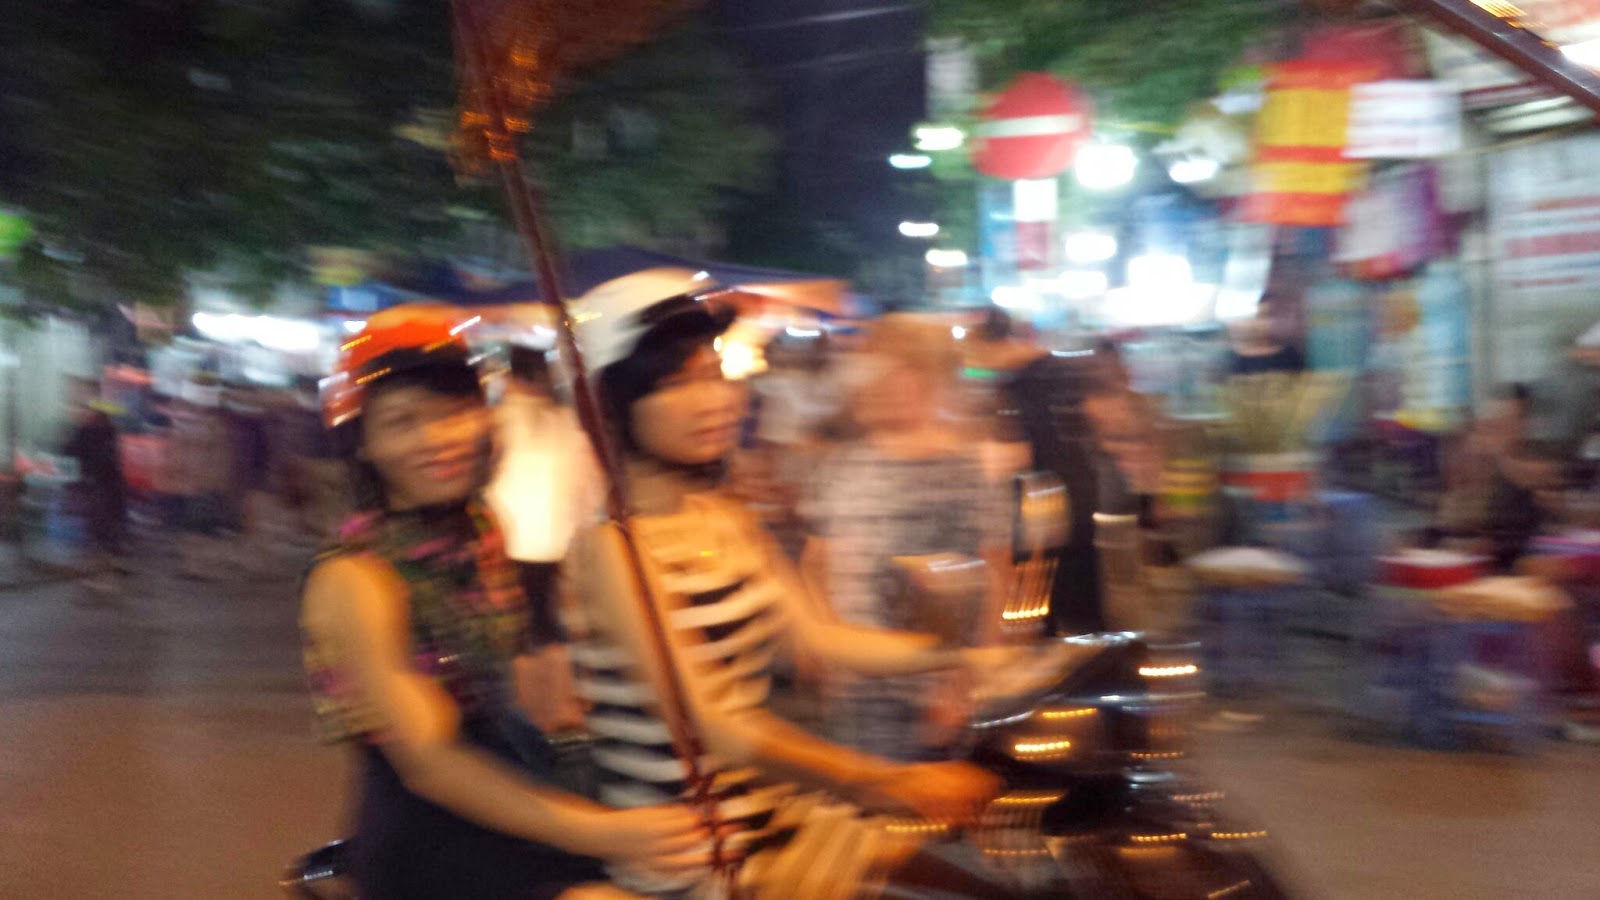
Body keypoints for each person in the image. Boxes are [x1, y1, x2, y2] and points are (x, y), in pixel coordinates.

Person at [564, 270, 1001, 897]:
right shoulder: (612, 548)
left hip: (772, 819)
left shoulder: (723, 516)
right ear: (611, 406)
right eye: (677, 383)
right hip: (695, 856)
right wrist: (886, 780)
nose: (715, 400)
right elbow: (710, 722)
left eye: (715, 374)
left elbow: (820, 637)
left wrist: (961, 656)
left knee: (991, 881)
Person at [299, 305, 707, 900]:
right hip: (431, 843)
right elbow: (430, 761)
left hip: (515, 794)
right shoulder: (355, 577)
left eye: (453, 412)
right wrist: (604, 833)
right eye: (402, 421)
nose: (436, 439)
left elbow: (509, 679)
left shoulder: (479, 527)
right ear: (363, 444)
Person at [802, 314, 1008, 762]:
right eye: (877, 368)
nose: (886, 382)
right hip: (855, 689)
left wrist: (962, 684)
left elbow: (992, 578)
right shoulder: (841, 466)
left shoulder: (963, 469)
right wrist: (822, 647)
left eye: (904, 369)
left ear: (932, 380)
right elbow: (816, 564)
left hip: (931, 693)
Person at [484, 341, 602, 735]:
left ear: (509, 375)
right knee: (552, 626)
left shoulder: (496, 421)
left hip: (508, 542)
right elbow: (592, 486)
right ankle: (561, 709)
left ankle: (531, 714)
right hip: (558, 542)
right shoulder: (567, 421)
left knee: (519, 631)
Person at [61, 381, 127, 576]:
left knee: (102, 520)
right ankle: (108, 559)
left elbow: (71, 451)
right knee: (104, 520)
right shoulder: (106, 430)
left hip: (101, 482)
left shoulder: (93, 430)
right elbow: (72, 451)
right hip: (104, 482)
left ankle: (107, 559)